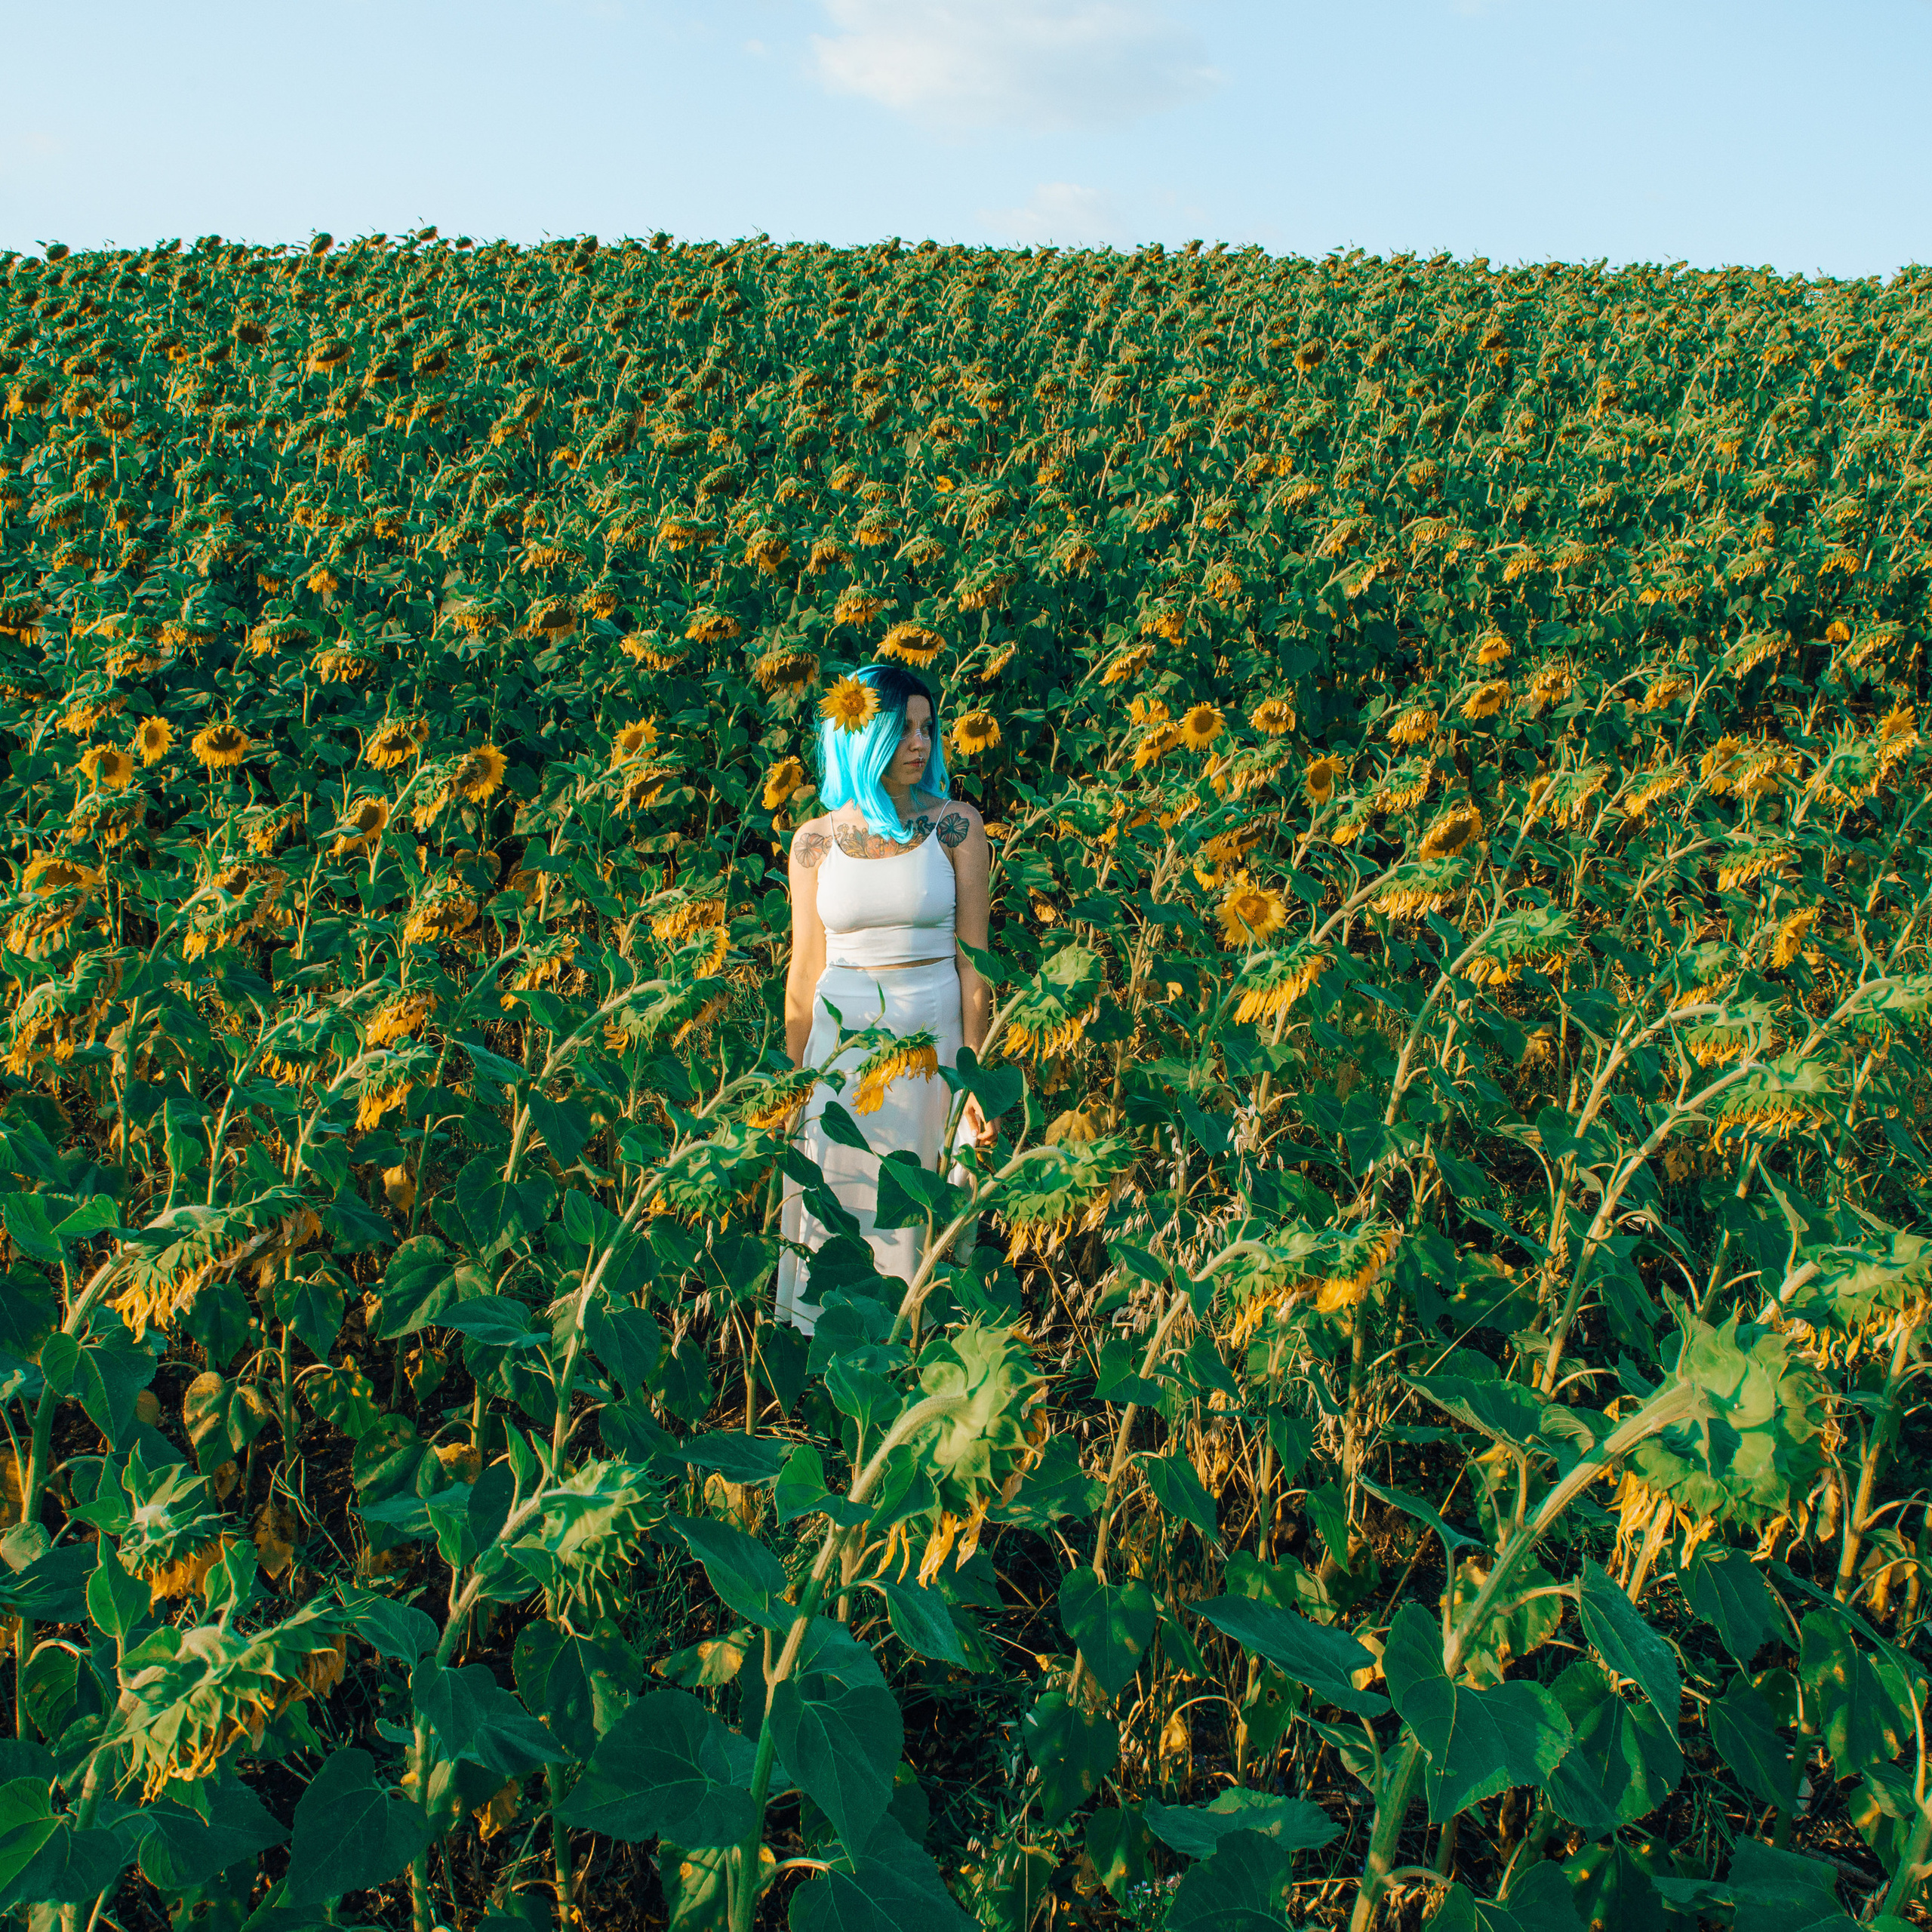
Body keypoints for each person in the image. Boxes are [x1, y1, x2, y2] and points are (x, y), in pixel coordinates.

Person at [774, 661, 995, 1335]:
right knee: (839, 1212)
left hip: (930, 1053)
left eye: (928, 729)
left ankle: (916, 1362)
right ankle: (835, 1387)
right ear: (862, 737)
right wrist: (792, 1090)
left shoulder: (956, 828)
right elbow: (804, 974)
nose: (921, 745)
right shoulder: (812, 843)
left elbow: (975, 972)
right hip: (838, 1061)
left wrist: (974, 1082)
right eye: (903, 731)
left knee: (922, 1216)